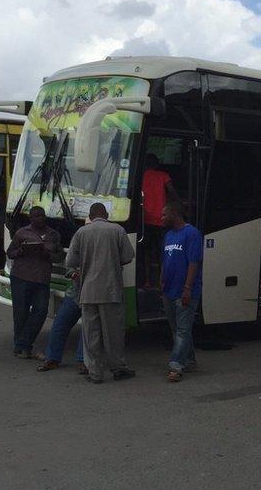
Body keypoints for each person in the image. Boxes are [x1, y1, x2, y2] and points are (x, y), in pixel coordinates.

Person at [65, 203, 136, 384]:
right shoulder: (117, 230)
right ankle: (118, 368)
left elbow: (70, 260)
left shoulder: (81, 233)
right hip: (111, 290)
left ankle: (95, 373)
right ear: (106, 214)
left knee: (91, 335)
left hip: (88, 292)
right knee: (113, 334)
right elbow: (128, 256)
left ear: (90, 215)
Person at [6, 206, 63, 358]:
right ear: (30, 219)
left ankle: (22, 344)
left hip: (42, 279)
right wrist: (21, 251)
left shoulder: (53, 234)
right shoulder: (22, 233)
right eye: (36, 216)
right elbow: (10, 253)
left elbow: (60, 257)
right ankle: (22, 347)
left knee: (41, 311)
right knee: (20, 313)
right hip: (21, 277)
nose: (40, 218)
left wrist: (47, 253)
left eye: (42, 215)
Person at [160, 201, 203, 382]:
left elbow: (194, 262)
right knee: (177, 329)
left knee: (182, 330)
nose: (161, 218)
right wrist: (161, 282)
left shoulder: (192, 234)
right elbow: (165, 261)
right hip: (169, 290)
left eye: (164, 215)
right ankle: (190, 360)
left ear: (174, 215)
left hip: (185, 290)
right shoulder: (168, 236)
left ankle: (176, 365)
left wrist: (187, 288)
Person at [36, 275, 88, 374]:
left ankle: (83, 360)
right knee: (60, 323)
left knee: (87, 327)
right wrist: (73, 272)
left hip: (95, 290)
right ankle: (52, 358)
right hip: (76, 290)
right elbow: (70, 262)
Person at [140, 153, 178, 287]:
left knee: (147, 253)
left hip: (146, 220)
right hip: (162, 220)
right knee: (162, 252)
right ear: (156, 164)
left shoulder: (141, 175)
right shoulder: (163, 175)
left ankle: (147, 282)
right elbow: (171, 191)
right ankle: (162, 282)